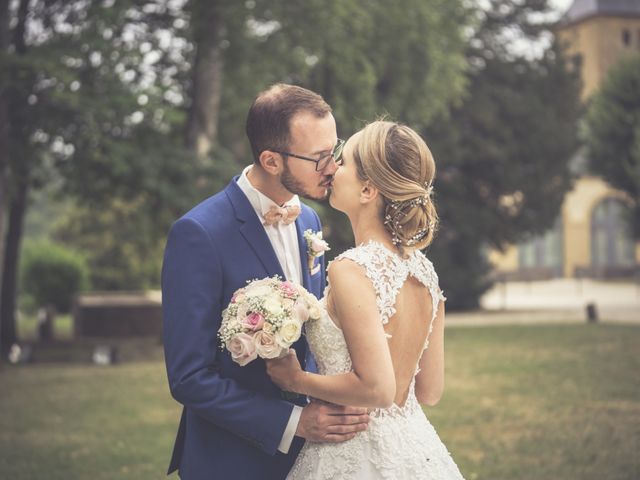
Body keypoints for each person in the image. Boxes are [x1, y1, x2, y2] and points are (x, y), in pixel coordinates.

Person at [161, 84, 369, 480]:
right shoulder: (198, 234)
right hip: (232, 459)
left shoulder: (309, 220)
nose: (333, 167)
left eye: (335, 150)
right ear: (271, 160)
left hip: (312, 457)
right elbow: (189, 378)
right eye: (319, 158)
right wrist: (294, 422)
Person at [266, 120, 465, 479]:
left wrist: (295, 380)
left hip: (354, 451)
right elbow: (430, 391)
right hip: (415, 451)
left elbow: (376, 388)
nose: (332, 168)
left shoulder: (351, 269)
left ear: (368, 190)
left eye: (344, 161)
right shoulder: (426, 273)